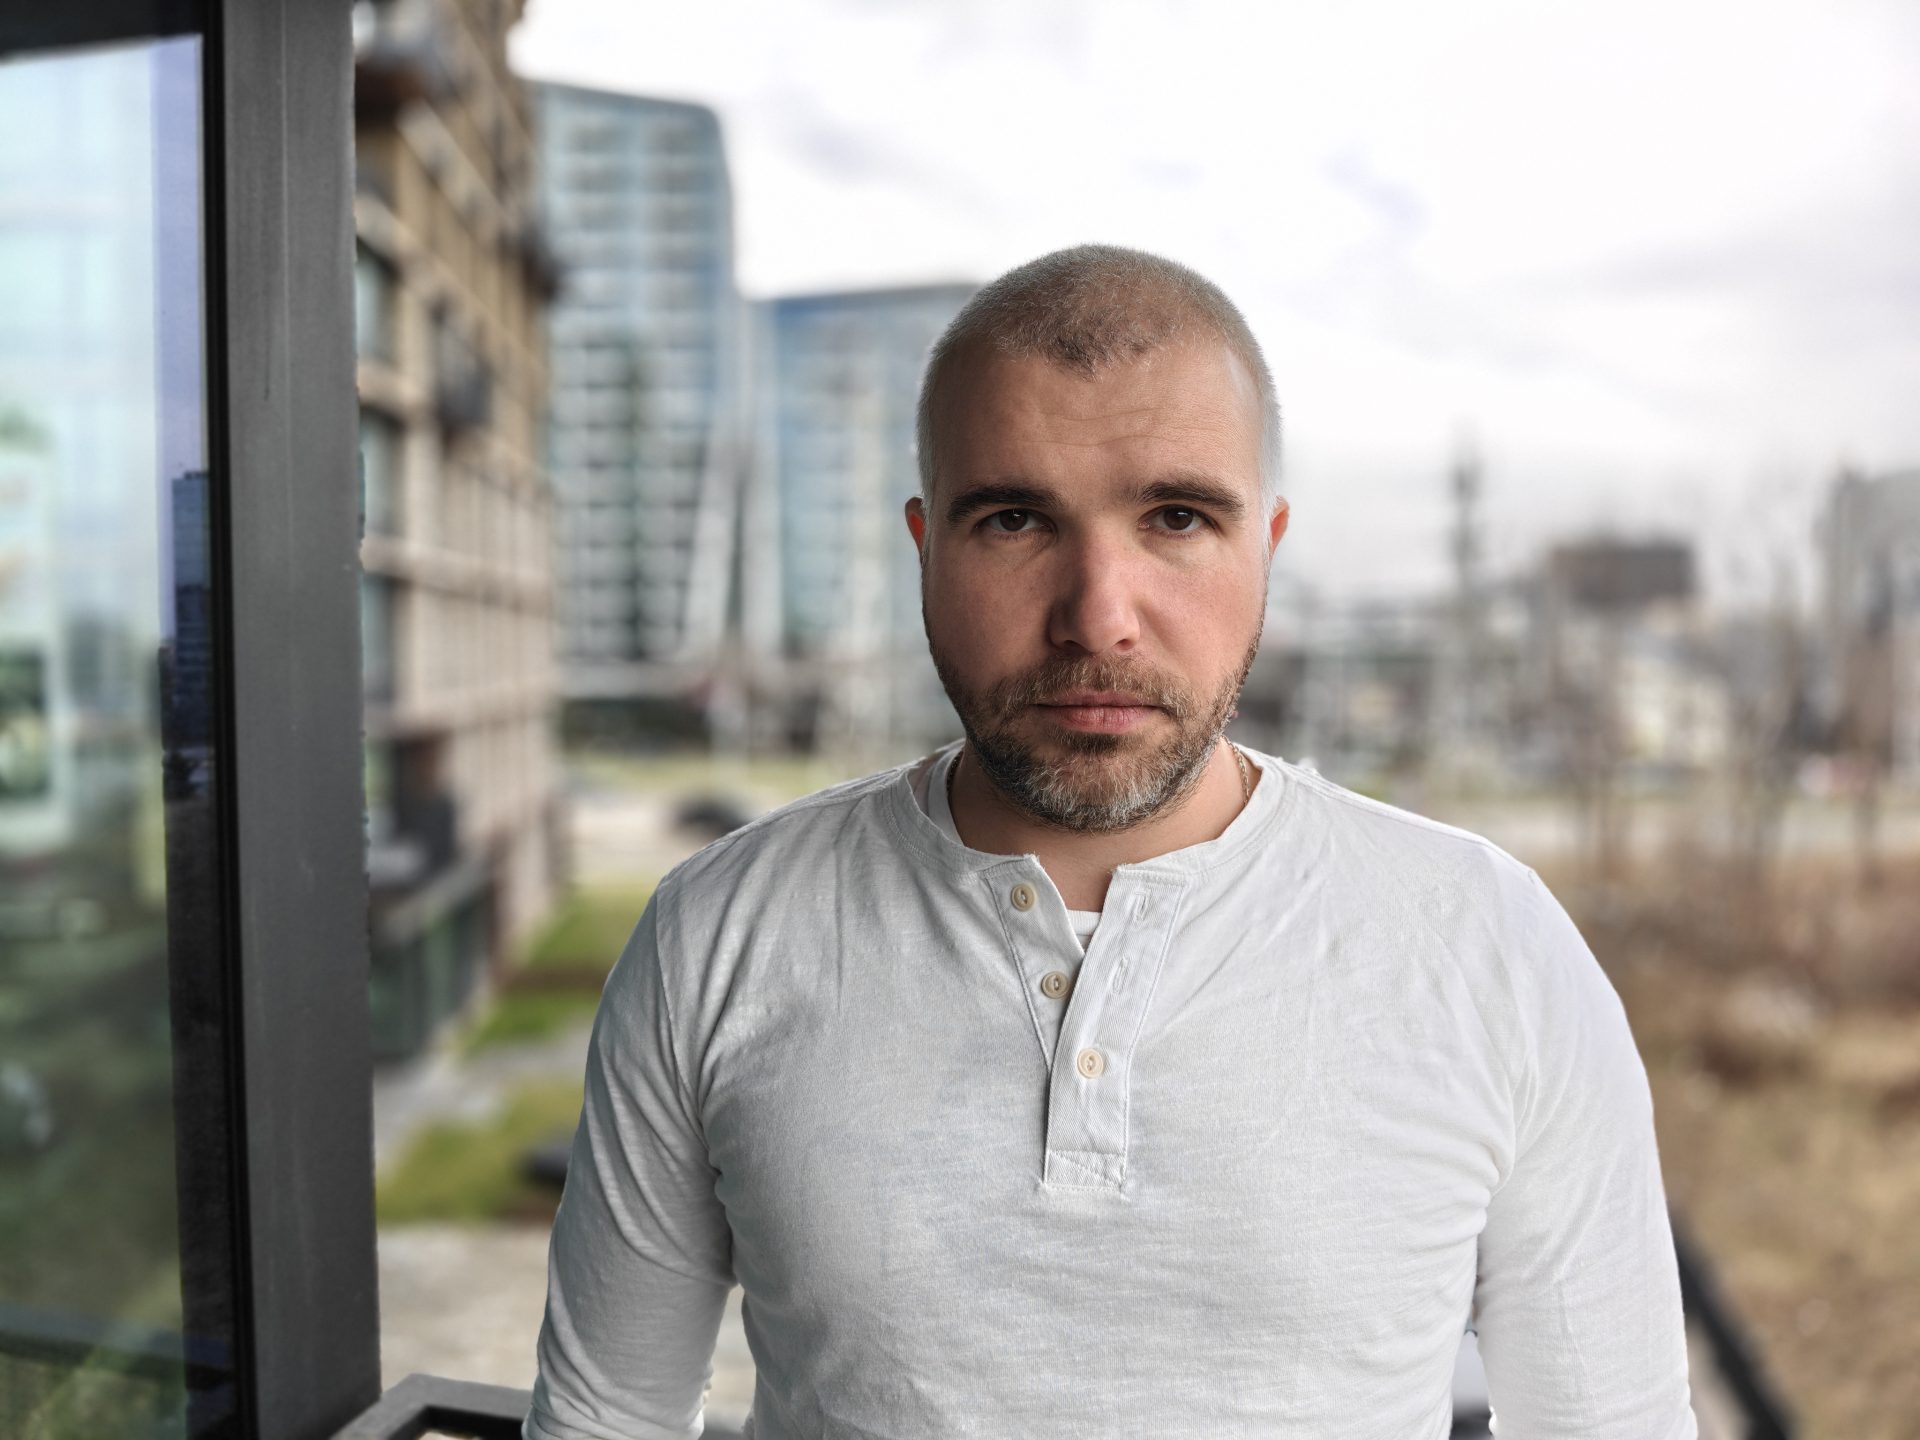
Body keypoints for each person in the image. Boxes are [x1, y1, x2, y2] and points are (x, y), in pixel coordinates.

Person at [524, 245, 1697, 1439]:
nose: (1098, 616)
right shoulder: (719, 932)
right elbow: (603, 1418)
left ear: (1266, 546)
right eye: (1015, 519)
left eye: (1176, 517)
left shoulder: (1489, 943)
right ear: (927, 549)